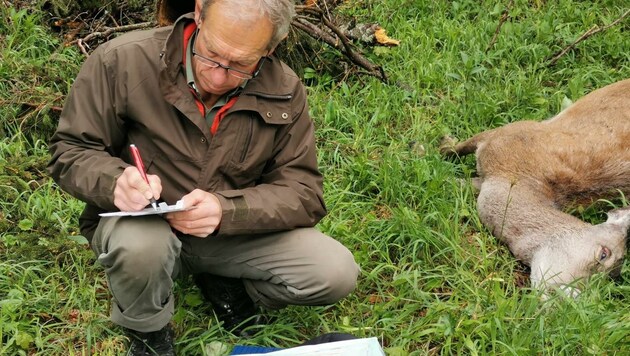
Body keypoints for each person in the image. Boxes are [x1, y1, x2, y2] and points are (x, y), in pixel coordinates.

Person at [47, 0, 360, 354]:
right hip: (142, 225)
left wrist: (227, 211)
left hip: (226, 231)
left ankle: (227, 281)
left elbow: (304, 192)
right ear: (199, 13)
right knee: (141, 248)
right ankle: (148, 329)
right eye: (211, 53)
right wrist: (115, 181)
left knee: (335, 272)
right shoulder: (122, 61)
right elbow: (70, 150)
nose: (217, 76)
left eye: (241, 64)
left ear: (270, 48)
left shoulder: (285, 88)